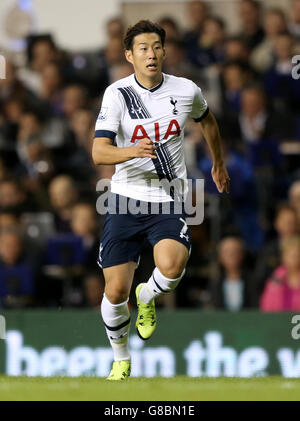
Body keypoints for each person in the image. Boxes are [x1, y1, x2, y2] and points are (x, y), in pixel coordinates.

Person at [92, 20, 230, 380]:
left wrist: (218, 163)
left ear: (164, 52)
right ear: (129, 55)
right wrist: (131, 151)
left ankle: (148, 295)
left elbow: (208, 121)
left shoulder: (186, 90)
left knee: (171, 267)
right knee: (115, 291)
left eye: (156, 46)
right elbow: (99, 153)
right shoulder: (117, 94)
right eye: (142, 48)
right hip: (124, 199)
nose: (151, 53)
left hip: (168, 197)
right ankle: (121, 358)